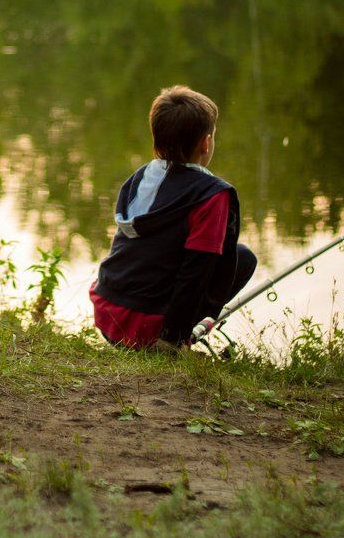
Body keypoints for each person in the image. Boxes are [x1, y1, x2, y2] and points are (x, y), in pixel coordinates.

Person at [90, 85, 256, 351]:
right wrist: (173, 339)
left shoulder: (142, 176)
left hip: (108, 315)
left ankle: (158, 335)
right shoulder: (211, 195)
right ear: (205, 142)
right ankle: (172, 341)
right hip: (147, 329)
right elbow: (197, 270)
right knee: (244, 258)